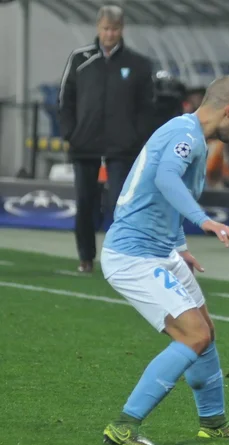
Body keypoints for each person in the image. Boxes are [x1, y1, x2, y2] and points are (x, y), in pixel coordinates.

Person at [100, 75, 229, 445]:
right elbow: (165, 179)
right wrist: (205, 221)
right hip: (132, 255)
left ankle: (214, 423)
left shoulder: (193, 137)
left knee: (205, 332)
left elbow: (166, 198)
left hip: (161, 250)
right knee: (193, 335)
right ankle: (124, 425)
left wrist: (180, 245)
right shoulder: (186, 135)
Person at [58, 5, 154, 273]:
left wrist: (136, 137)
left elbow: (147, 107)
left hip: (122, 148)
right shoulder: (80, 59)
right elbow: (66, 100)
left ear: (121, 30)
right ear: (98, 28)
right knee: (85, 202)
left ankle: (120, 258)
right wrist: (71, 134)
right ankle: (86, 257)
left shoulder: (138, 64)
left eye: (114, 29)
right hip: (84, 146)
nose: (109, 34)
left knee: (120, 205)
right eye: (105, 29)